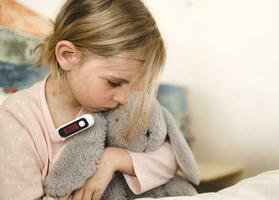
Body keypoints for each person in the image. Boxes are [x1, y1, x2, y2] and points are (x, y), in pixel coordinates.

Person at [0, 0, 178, 199]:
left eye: (136, 87)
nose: (125, 98)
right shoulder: (17, 118)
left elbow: (173, 158)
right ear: (67, 56)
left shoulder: (114, 106)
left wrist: (113, 159)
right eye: (114, 82)